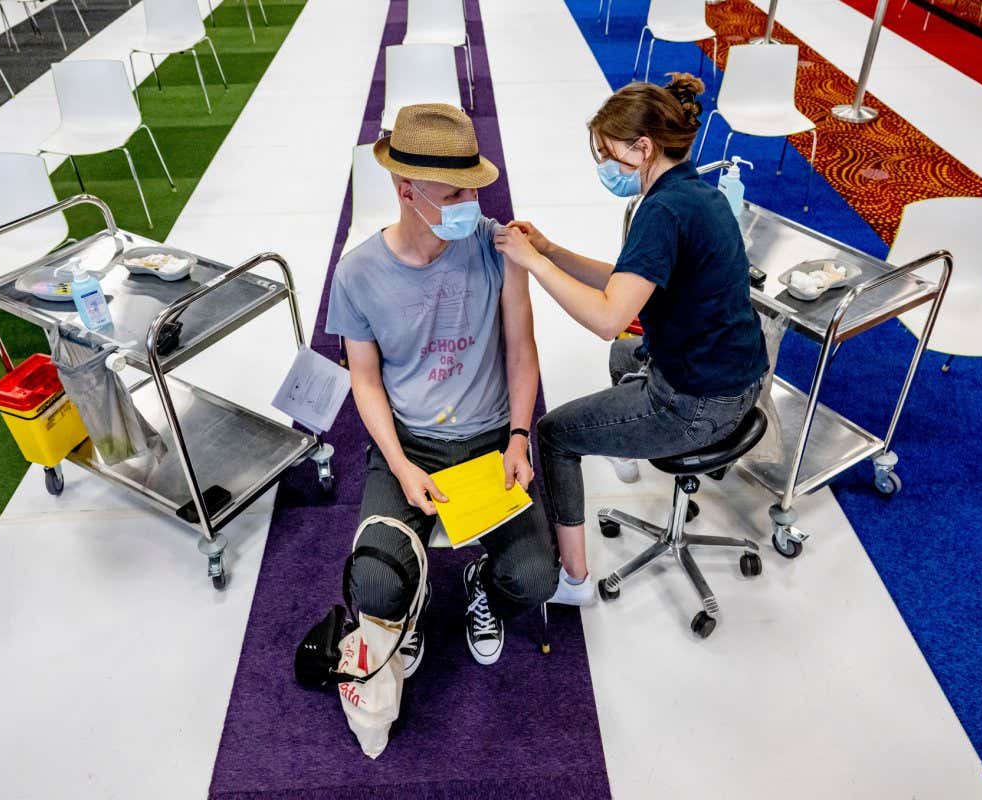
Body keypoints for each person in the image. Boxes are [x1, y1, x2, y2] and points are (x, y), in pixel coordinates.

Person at [493, 74, 769, 606]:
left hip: (699, 402)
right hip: (742, 378)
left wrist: (530, 263)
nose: (605, 166)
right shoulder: (694, 191)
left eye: (609, 153)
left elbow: (605, 316)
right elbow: (626, 278)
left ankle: (573, 582)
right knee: (626, 354)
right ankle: (629, 438)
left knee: (553, 435)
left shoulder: (661, 211)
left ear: (643, 147)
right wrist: (551, 250)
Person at [325, 103, 559, 673]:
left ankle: (482, 582)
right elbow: (365, 381)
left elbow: (522, 351)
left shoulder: (499, 249)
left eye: (470, 192)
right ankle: (410, 600)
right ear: (407, 191)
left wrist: (519, 439)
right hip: (411, 442)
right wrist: (401, 466)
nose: (469, 207)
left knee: (533, 578)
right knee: (376, 586)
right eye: (452, 195)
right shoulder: (357, 274)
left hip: (489, 441)